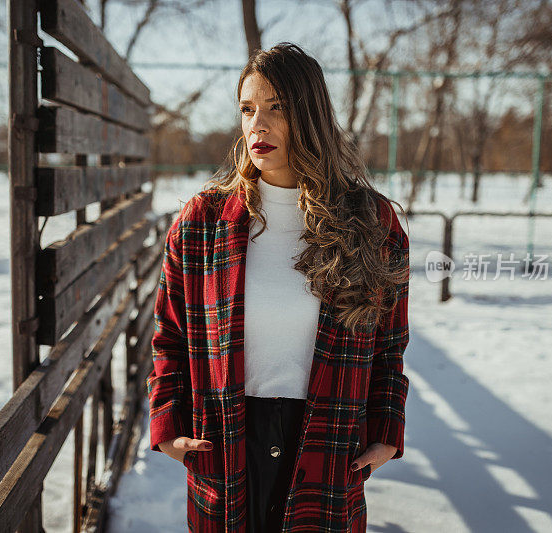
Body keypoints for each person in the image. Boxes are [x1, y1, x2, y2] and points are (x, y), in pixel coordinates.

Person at [147, 42, 410, 533]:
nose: (257, 126)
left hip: (328, 439)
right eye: (248, 109)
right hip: (224, 441)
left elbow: (389, 343)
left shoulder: (371, 221)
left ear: (309, 115)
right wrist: (167, 427)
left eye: (276, 108)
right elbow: (169, 335)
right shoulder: (202, 222)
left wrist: (388, 431)